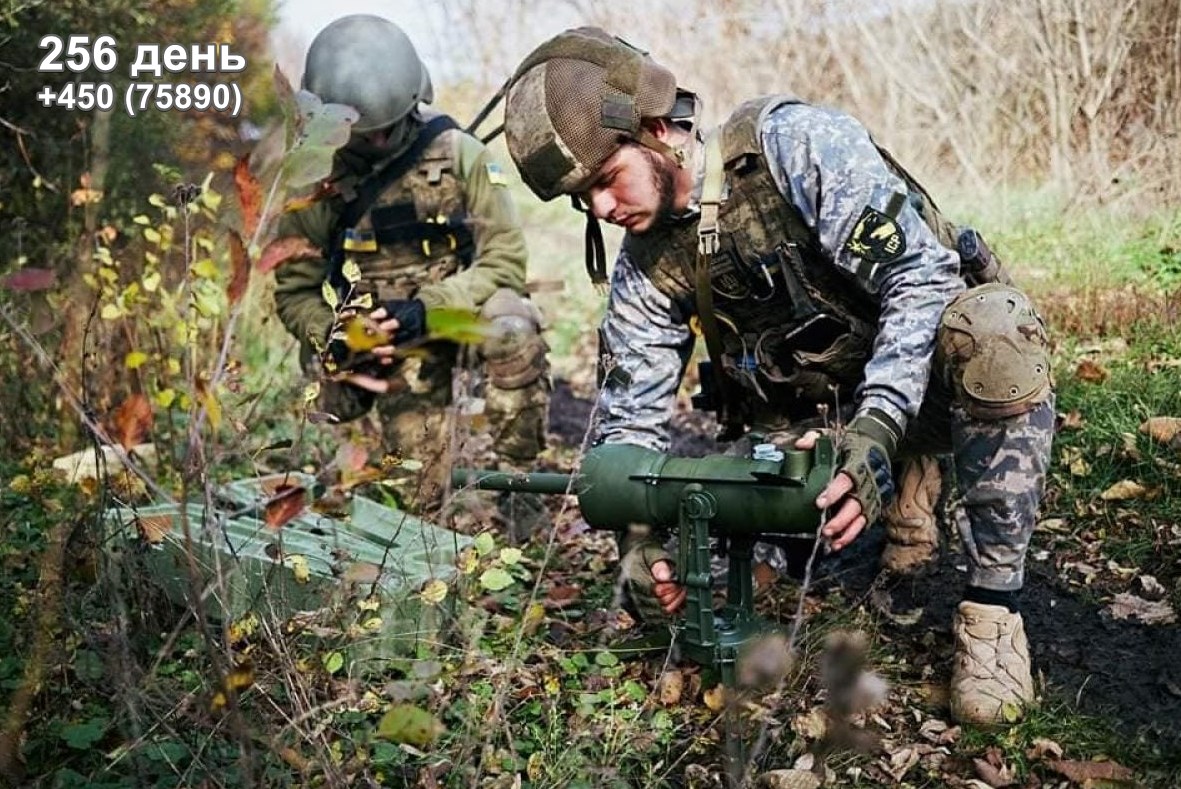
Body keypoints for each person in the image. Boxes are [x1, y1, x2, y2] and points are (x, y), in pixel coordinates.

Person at [500, 27, 1054, 725]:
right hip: (808, 429)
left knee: (996, 330)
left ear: (657, 129)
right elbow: (626, 431)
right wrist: (635, 547)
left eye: (604, 181)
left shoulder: (791, 146)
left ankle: (991, 614)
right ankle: (903, 495)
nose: (602, 211)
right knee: (729, 536)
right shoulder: (646, 266)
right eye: (583, 202)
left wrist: (879, 426)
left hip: (921, 390)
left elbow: (919, 277)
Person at [273, 15, 550, 537]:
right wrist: (340, 334)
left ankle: (520, 486)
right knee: (421, 503)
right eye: (365, 133)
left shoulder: (460, 154)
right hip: (383, 348)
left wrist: (429, 307)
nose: (377, 141)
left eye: (386, 128)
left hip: (452, 319)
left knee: (512, 326)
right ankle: (358, 475)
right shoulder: (315, 181)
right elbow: (294, 291)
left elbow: (506, 258)